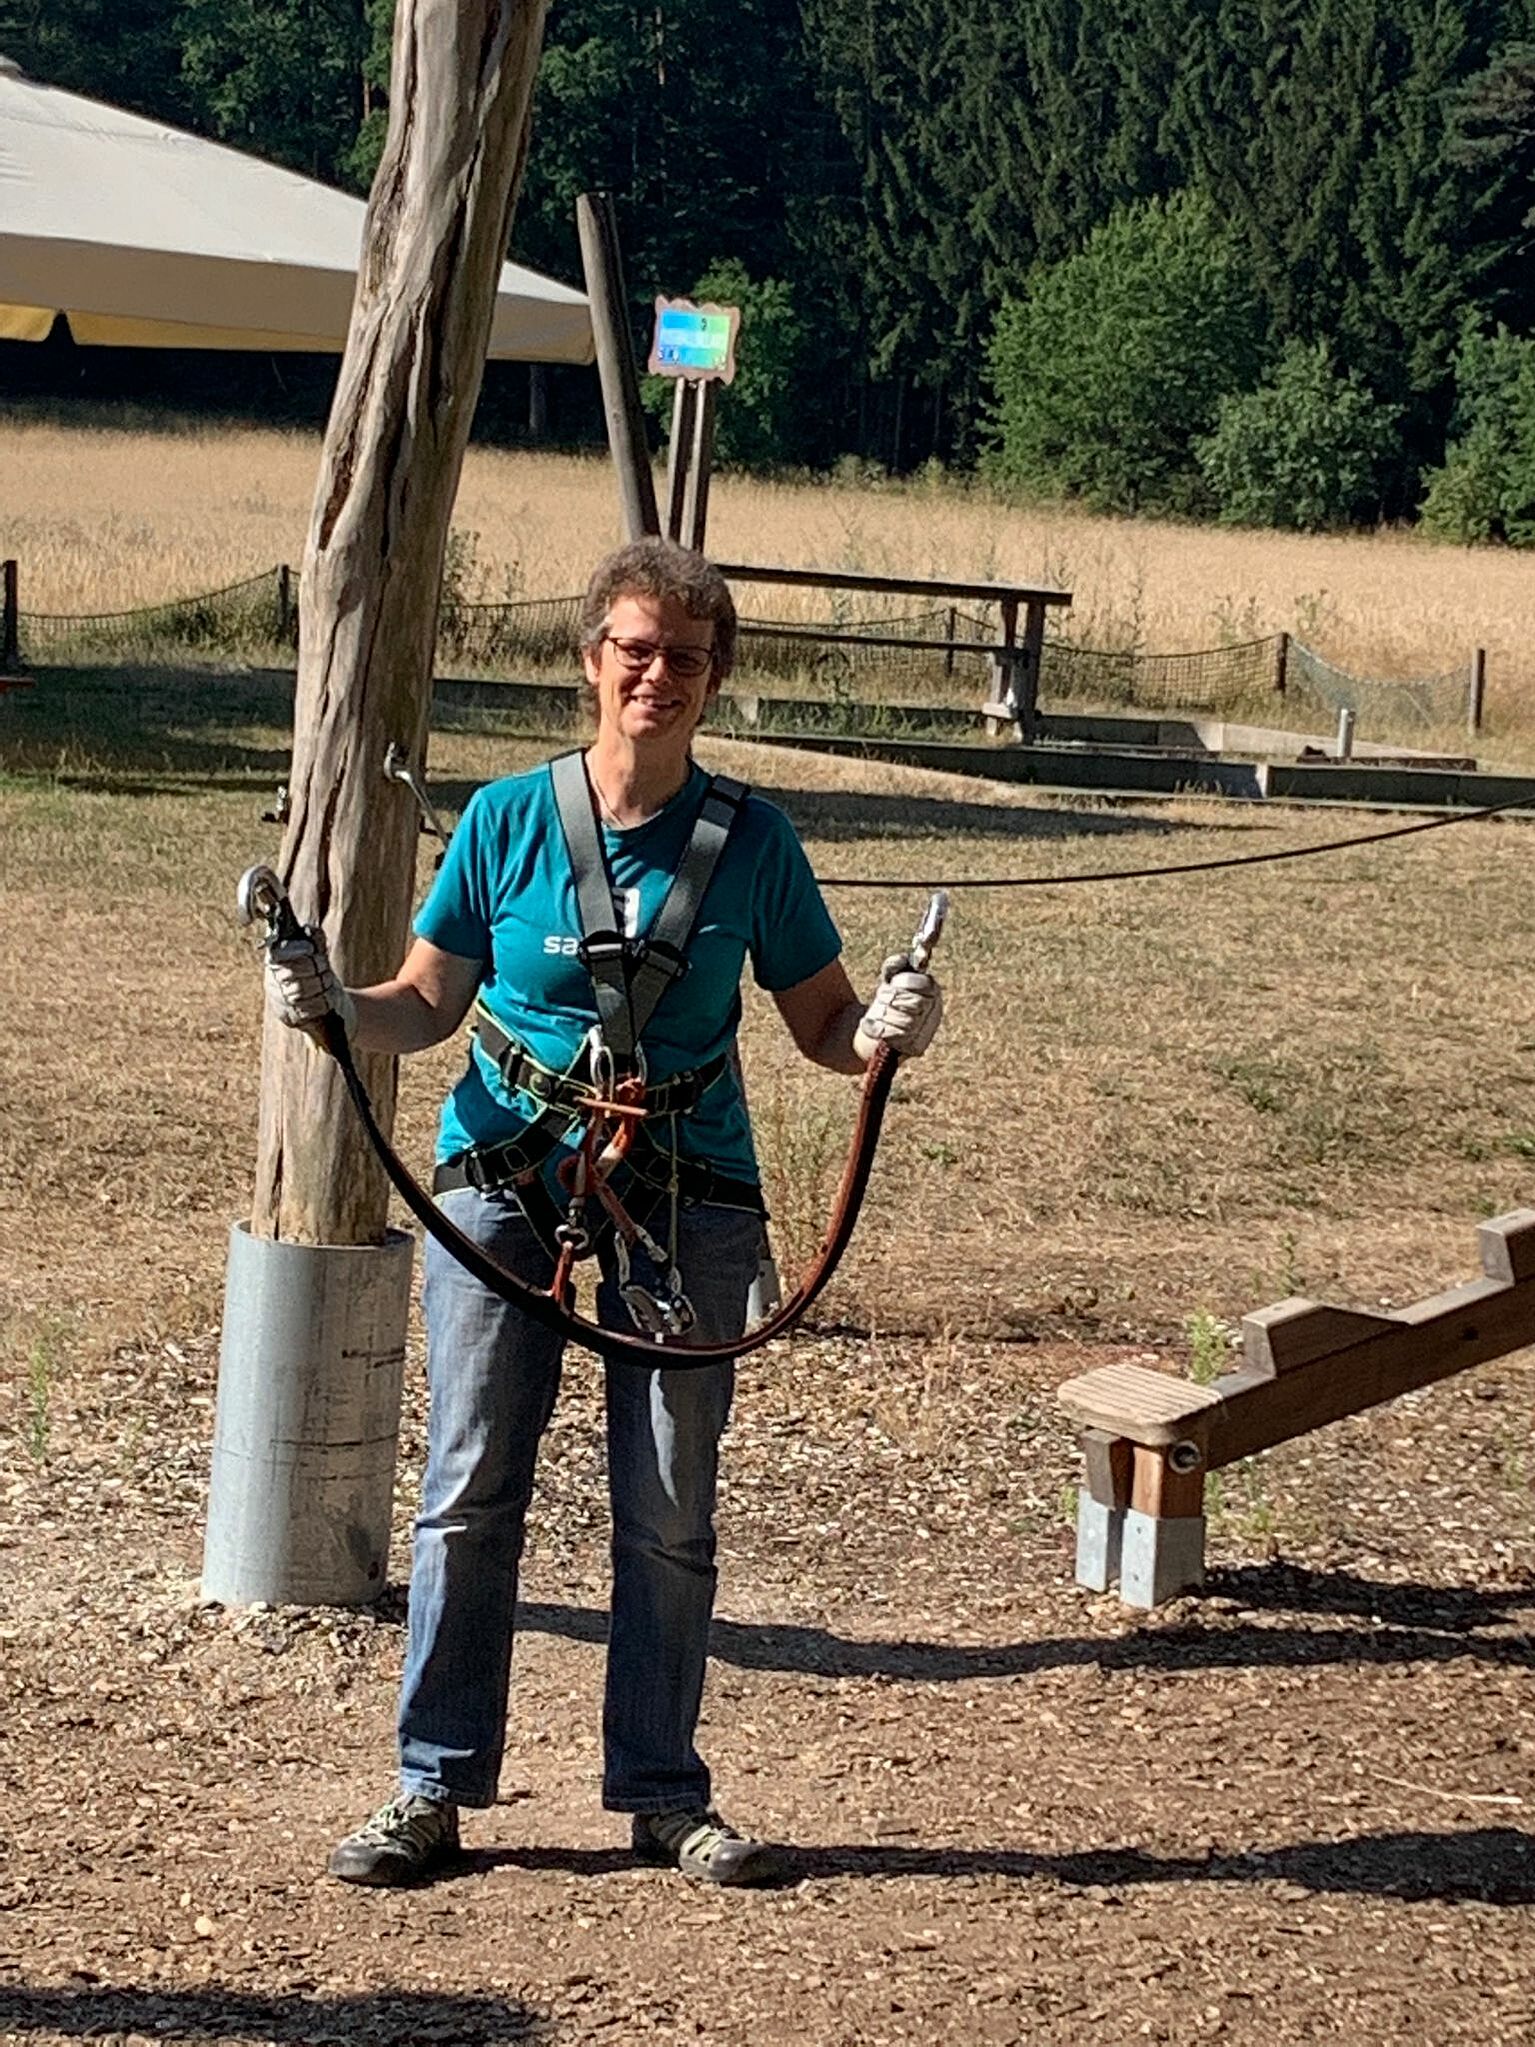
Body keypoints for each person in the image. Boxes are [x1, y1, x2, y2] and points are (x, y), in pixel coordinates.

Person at [264, 538, 943, 1889]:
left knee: (671, 1505)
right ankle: (433, 1786)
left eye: (686, 658)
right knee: (467, 1490)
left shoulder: (754, 845)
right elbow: (428, 1003)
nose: (658, 677)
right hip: (502, 1179)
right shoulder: (511, 822)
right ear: (592, 660)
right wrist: (337, 1004)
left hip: (687, 1194)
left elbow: (820, 1020)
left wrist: (886, 1029)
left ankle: (661, 1793)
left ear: (714, 679)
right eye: (634, 649)